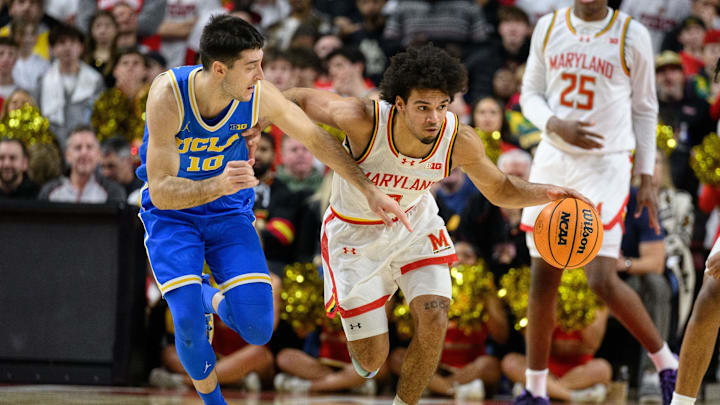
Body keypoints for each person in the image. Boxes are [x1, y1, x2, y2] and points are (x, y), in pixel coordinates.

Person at [282, 43, 589, 405]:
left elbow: (501, 188)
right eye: (423, 107)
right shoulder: (364, 117)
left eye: (442, 106)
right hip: (354, 235)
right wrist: (252, 123)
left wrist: (545, 192)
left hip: (414, 226)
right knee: (371, 360)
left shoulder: (459, 140)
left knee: (435, 316)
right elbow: (295, 99)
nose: (434, 118)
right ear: (398, 104)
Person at [136, 14, 408, 405]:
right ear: (219, 69)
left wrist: (368, 190)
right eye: (251, 66)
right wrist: (219, 182)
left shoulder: (259, 94)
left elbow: (316, 139)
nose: (261, 74)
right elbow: (161, 192)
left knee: (259, 327)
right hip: (173, 215)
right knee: (188, 325)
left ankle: (208, 296)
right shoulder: (168, 95)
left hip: (228, 211)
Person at [517, 1, 675, 404]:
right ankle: (535, 390)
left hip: (606, 165)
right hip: (554, 158)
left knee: (601, 279)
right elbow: (530, 94)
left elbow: (644, 108)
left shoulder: (631, 34)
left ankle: (666, 364)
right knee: (543, 278)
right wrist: (554, 123)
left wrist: (645, 175)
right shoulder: (550, 27)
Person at [38, 125, 125, 203]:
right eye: (78, 147)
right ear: (67, 155)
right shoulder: (49, 192)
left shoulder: (113, 192)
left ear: (98, 154)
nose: (84, 153)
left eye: (89, 147)